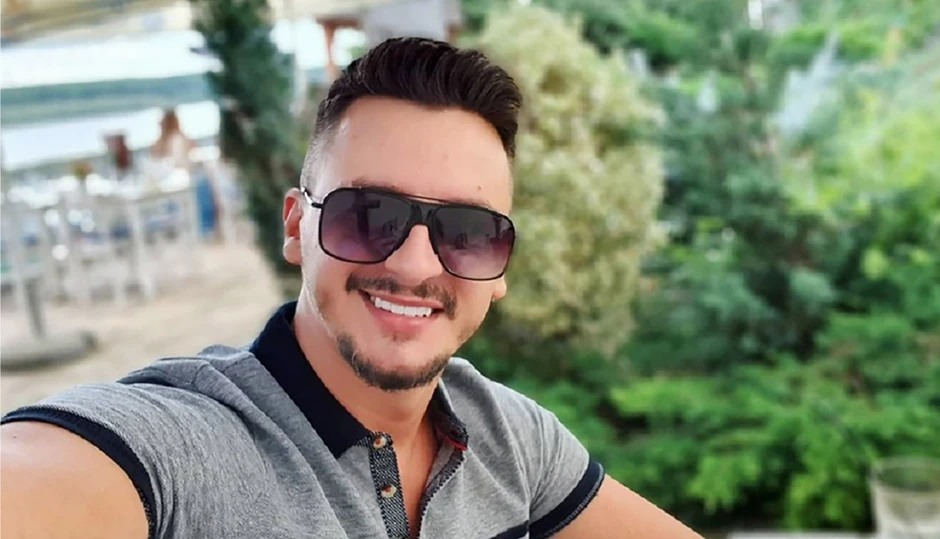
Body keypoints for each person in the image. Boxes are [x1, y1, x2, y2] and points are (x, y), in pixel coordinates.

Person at [0, 38, 705, 539]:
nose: (416, 265)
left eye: (467, 231)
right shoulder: (187, 452)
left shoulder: (511, 440)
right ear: (295, 227)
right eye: (369, 215)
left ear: (499, 270)